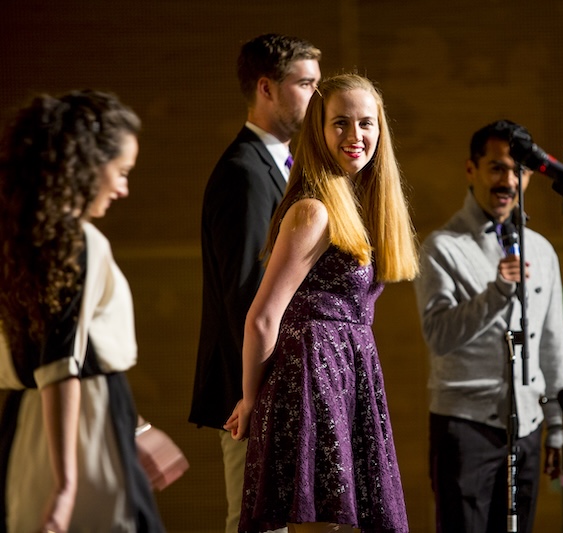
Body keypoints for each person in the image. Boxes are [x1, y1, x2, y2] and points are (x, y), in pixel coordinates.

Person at [224, 73, 418, 533]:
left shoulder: (355, 205)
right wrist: (251, 400)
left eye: (367, 124)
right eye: (341, 124)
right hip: (312, 378)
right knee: (322, 523)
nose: (356, 136)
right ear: (318, 130)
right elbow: (263, 317)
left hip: (346, 371)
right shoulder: (315, 210)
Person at [0, 90, 164, 532]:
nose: (124, 188)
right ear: (90, 165)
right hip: (80, 432)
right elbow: (63, 365)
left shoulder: (20, 241)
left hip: (25, 426)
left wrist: (137, 430)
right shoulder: (80, 242)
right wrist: (66, 484)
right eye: (122, 172)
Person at [188, 33, 321, 533]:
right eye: (305, 84)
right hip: (252, 388)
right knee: (254, 522)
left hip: (271, 381)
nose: (316, 96)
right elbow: (245, 293)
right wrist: (257, 393)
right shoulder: (245, 172)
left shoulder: (281, 167)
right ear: (266, 88)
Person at [413, 119, 563, 533]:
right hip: (464, 428)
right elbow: (439, 336)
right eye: (497, 167)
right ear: (472, 169)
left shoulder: (542, 249)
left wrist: (558, 426)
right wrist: (498, 291)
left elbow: (552, 342)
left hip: (528, 428)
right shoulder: (441, 248)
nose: (509, 180)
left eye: (519, 170)